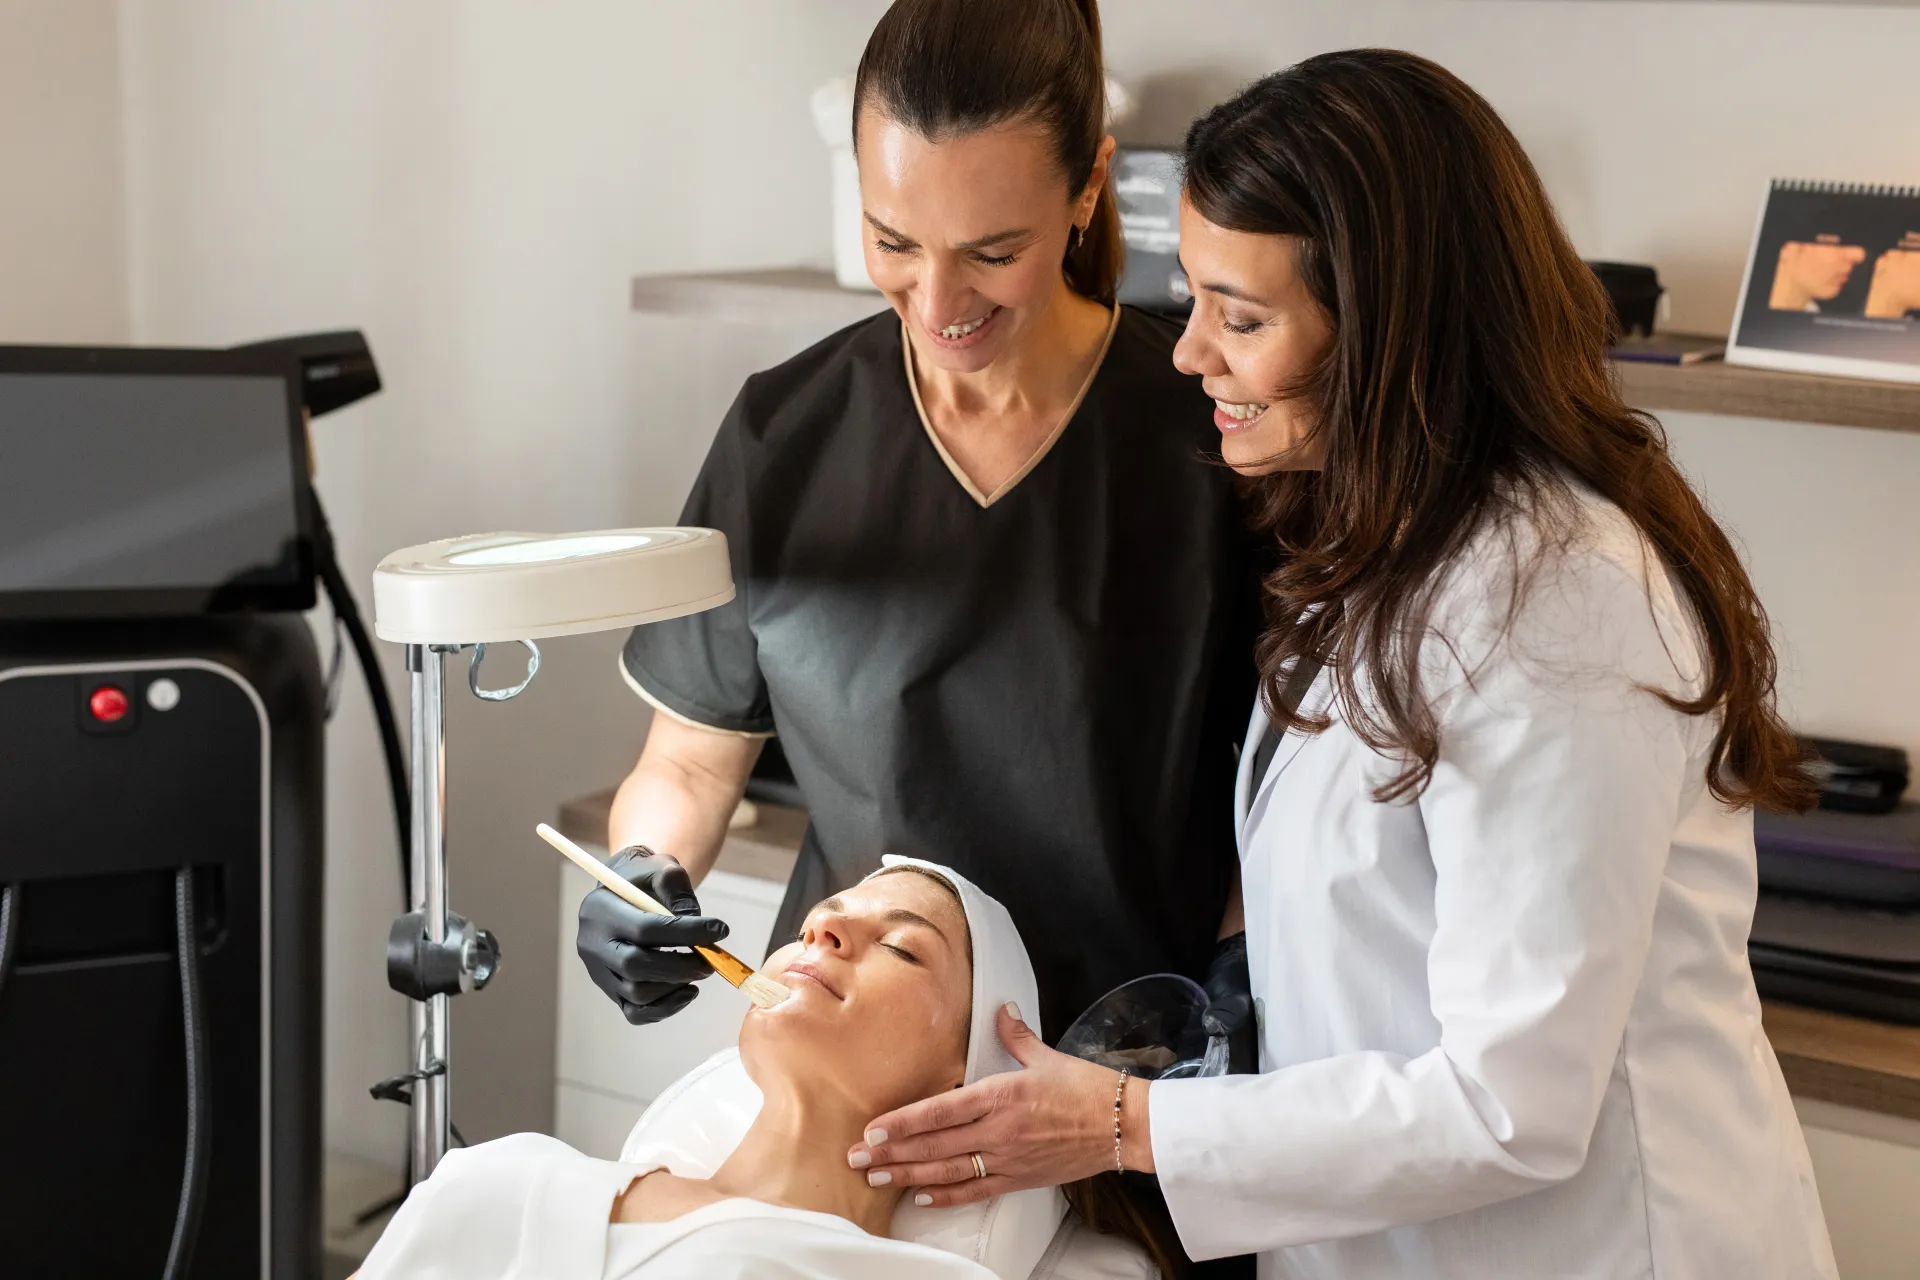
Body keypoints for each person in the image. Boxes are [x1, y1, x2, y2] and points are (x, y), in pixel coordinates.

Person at [843, 51, 1839, 1278]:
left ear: (1388, 331)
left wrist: (1125, 1124)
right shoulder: (1383, 548)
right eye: (1195, 301)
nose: (1189, 353)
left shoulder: (1556, 602)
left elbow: (1510, 1102)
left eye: (1242, 318)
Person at [576, 0, 1257, 1118]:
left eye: (993, 253)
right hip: (856, 1071)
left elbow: (1276, 797)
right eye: (893, 242)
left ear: (1087, 189)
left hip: (1120, 1085)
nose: (937, 304)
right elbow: (693, 764)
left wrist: (1236, 994)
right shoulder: (784, 436)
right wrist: (642, 877)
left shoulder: (1205, 436)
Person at [356, 862, 1146, 1278]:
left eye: (903, 947)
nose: (827, 928)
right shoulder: (501, 1178)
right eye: (814, 922)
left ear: (964, 1078)